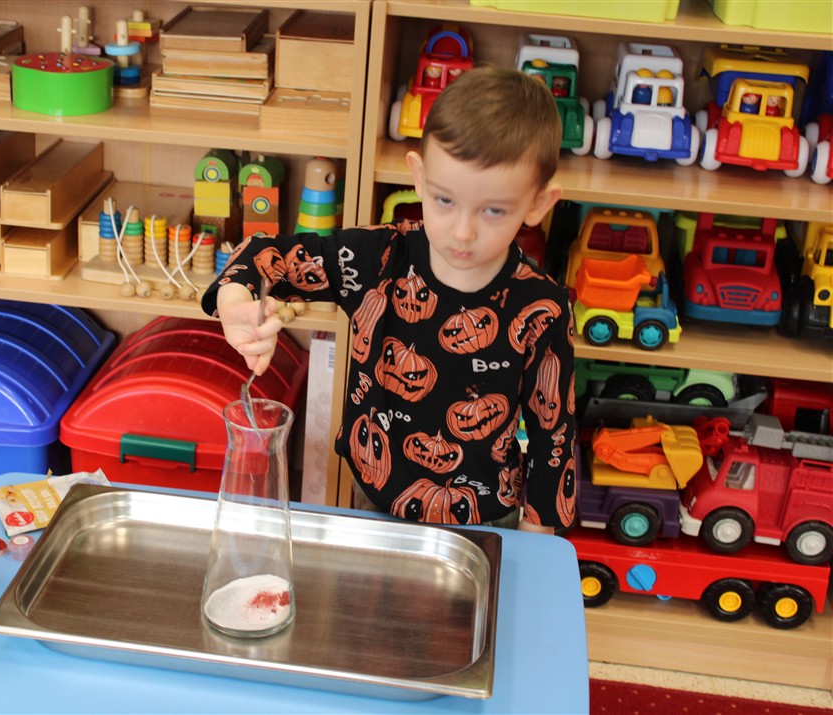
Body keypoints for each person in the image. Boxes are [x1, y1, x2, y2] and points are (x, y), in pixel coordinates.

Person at [202, 65, 576, 534]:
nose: (463, 231)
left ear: (538, 203)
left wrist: (537, 537)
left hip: (485, 516)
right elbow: (262, 255)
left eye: (494, 210)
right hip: (374, 498)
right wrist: (235, 302)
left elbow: (552, 433)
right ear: (419, 177)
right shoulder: (375, 257)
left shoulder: (542, 307)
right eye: (444, 201)